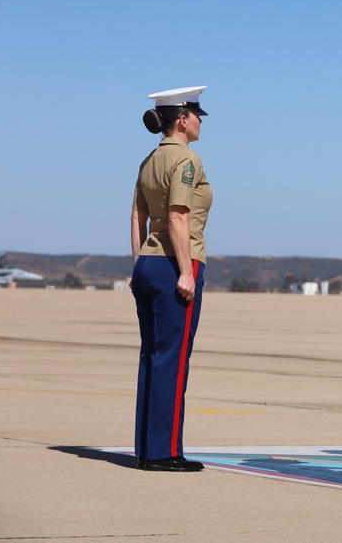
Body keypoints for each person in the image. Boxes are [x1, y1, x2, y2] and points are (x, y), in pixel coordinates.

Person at [131, 86, 213, 471]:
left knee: (151, 356)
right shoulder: (186, 160)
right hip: (173, 263)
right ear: (183, 119)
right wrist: (185, 271)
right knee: (172, 359)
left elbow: (137, 217)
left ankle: (148, 449)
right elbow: (179, 216)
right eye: (197, 115)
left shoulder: (149, 160)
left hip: (148, 261)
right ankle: (165, 452)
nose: (200, 121)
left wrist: (137, 261)